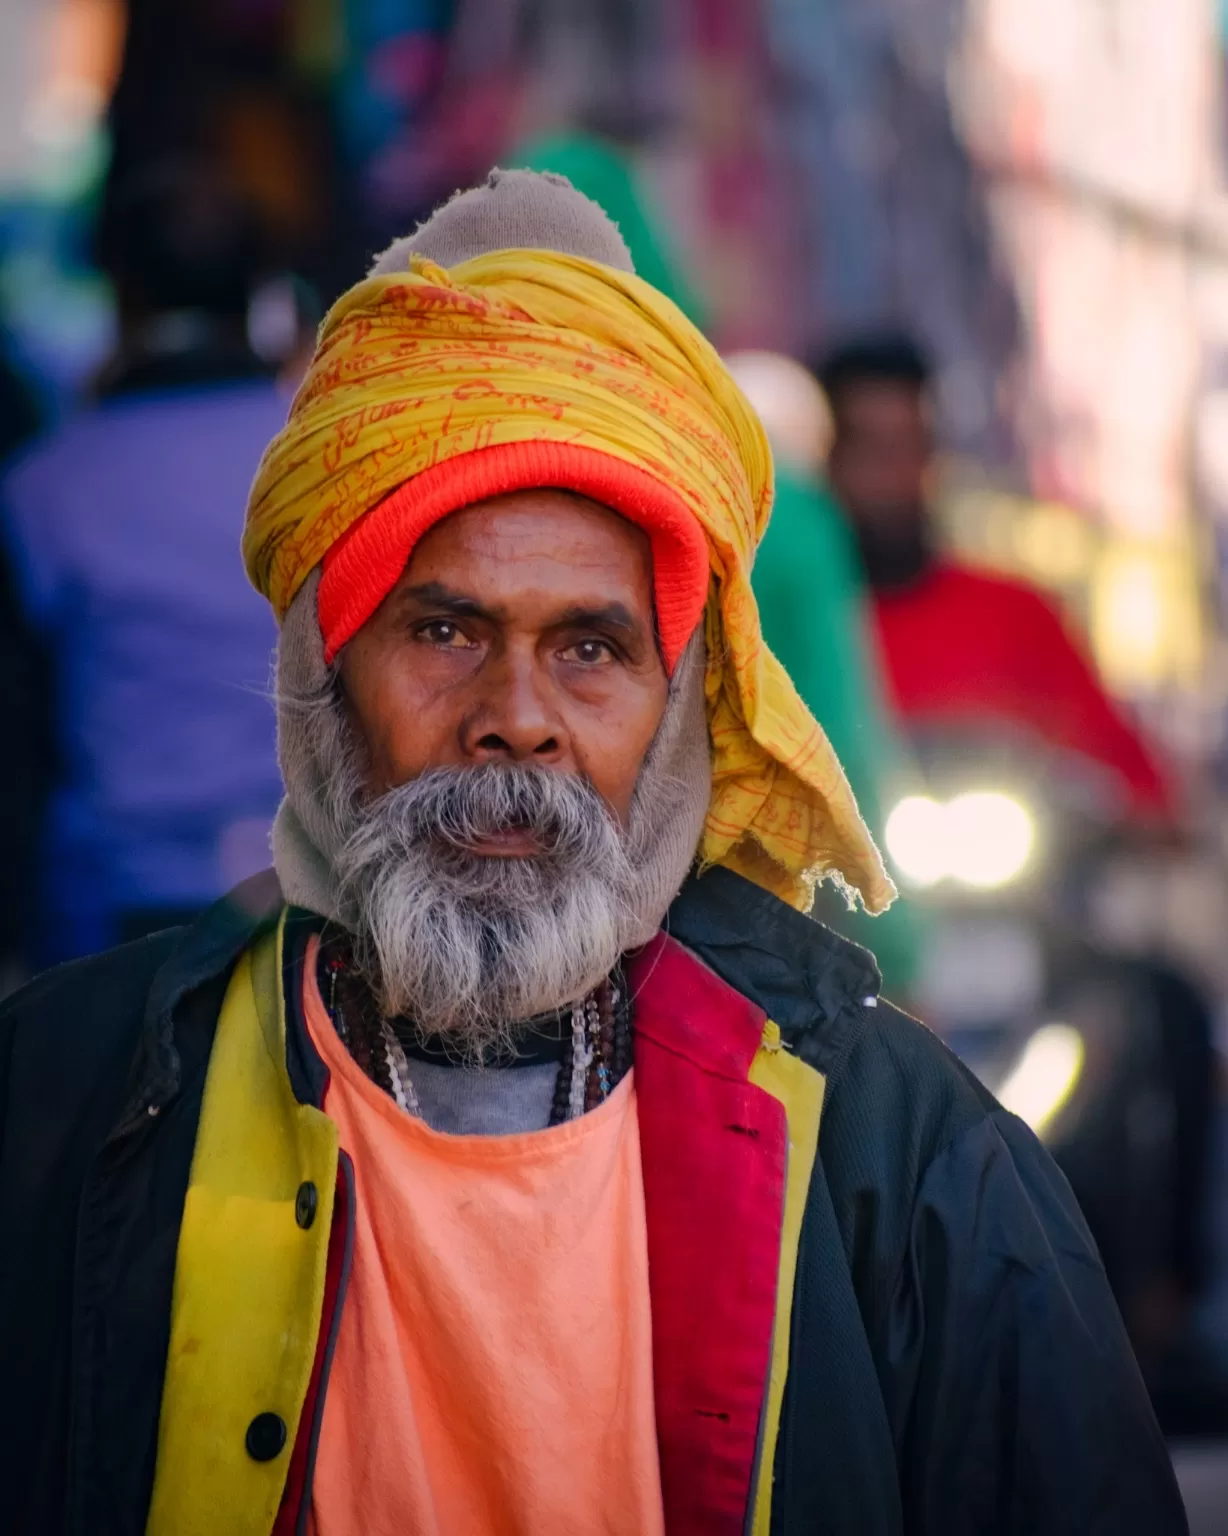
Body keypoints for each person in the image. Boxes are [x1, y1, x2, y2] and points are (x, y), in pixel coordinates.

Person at [0, 171, 1186, 1535]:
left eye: (591, 650)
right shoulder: (62, 1108)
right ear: (326, 679)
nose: (516, 721)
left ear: (682, 715)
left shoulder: (903, 1163)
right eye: (442, 632)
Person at [0, 164, 288, 964]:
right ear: (260, 296)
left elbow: (19, 742)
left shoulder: (44, 485)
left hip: (111, 918)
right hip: (316, 892)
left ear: (118, 297)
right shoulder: (325, 458)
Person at [820, 334, 1177, 818]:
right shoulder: (792, 625)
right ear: (827, 460)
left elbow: (1126, 774)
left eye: (910, 445)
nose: (893, 474)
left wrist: (1126, 813)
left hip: (1017, 885)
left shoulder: (1016, 612)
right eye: (871, 449)